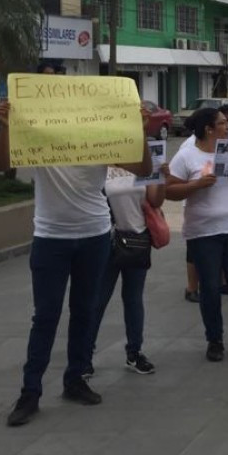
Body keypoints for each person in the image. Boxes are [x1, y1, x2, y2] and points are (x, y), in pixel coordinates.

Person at [0, 101, 153, 427]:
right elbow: (1, 164)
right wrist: (7, 127)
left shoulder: (99, 138)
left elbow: (142, 169)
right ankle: (30, 391)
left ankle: (75, 379)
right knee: (46, 316)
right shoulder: (38, 139)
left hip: (95, 236)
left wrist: (140, 131)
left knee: (85, 311)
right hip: (50, 238)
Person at [166, 108, 228, 362]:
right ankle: (215, 340)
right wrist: (195, 185)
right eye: (223, 123)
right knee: (210, 288)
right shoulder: (186, 155)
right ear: (209, 129)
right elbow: (169, 190)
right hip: (203, 231)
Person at [88, 160, 168, 377]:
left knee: (133, 299)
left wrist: (162, 177)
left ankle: (134, 351)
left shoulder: (143, 163)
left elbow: (155, 200)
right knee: (97, 300)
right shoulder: (100, 165)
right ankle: (84, 354)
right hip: (107, 242)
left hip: (136, 240)